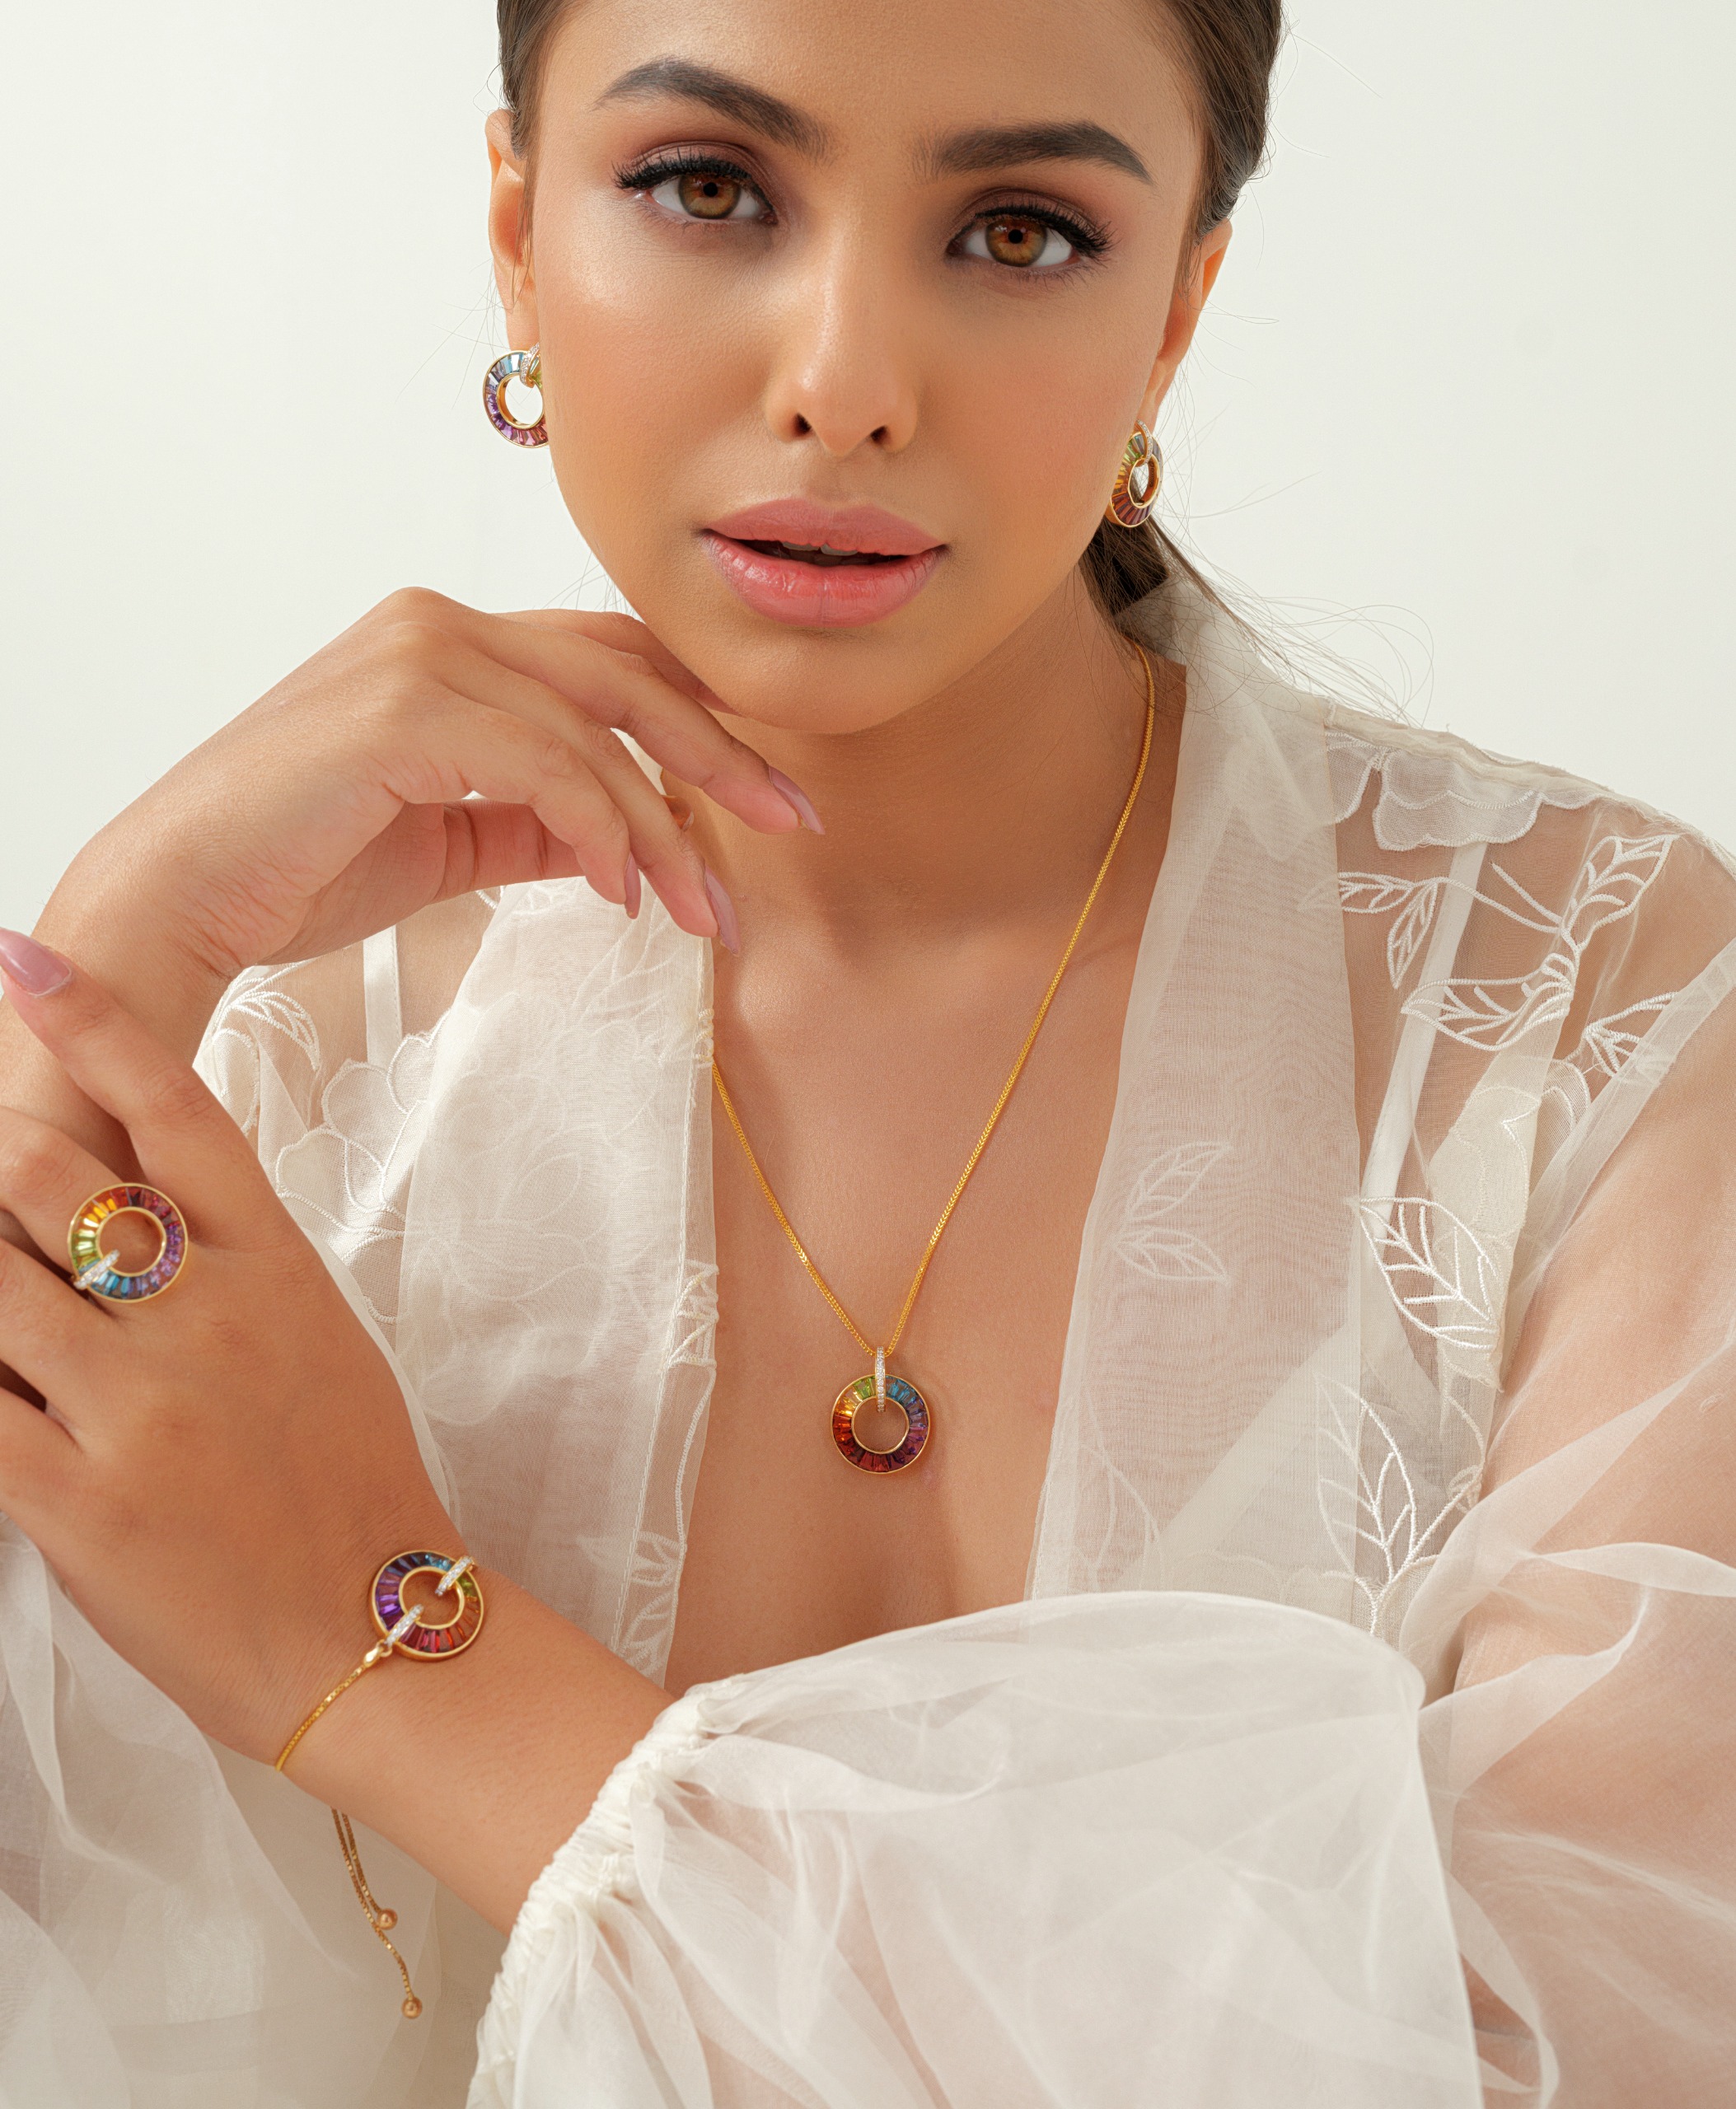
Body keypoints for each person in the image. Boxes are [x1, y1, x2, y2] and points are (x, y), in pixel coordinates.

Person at [1, 1, 1733, 2102]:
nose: (846, 383)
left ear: (1177, 309)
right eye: (706, 187)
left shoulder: (1580, 1008)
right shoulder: (281, 1048)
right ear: (517, 235)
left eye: (1017, 232)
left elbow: (1587, 2052)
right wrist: (111, 954)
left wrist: (387, 1652)